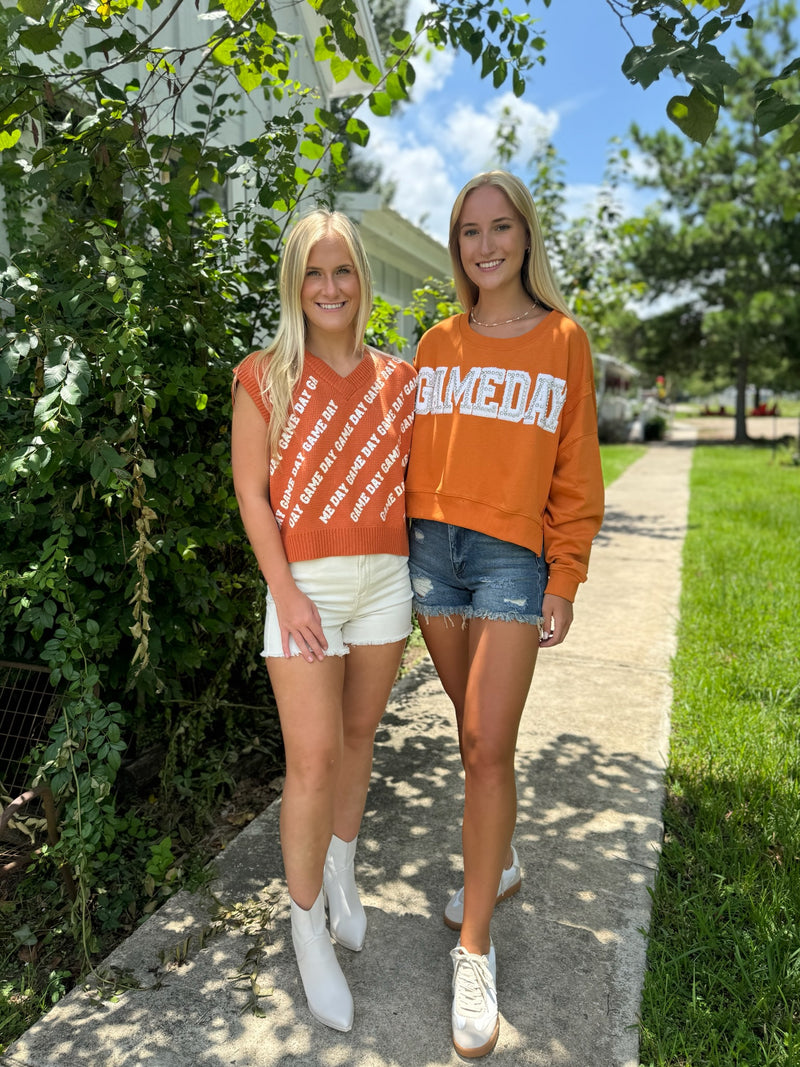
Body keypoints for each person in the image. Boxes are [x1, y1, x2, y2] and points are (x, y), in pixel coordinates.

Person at [404, 170, 605, 1058]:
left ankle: (474, 948)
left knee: (488, 742)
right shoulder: (435, 342)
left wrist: (565, 572)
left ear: (525, 235)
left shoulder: (564, 340)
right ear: (458, 246)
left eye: (499, 228)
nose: (484, 246)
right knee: (470, 726)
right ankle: (505, 859)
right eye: (468, 233)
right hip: (428, 555)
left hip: (509, 562)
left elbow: (576, 468)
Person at [230, 208, 417, 1033]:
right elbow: (251, 494)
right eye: (315, 272)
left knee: (359, 735)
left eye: (343, 271)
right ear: (294, 284)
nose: (330, 287)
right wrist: (287, 591)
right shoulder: (264, 375)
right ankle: (306, 927)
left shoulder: (400, 379)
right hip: (303, 588)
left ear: (362, 281)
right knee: (309, 762)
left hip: (387, 584)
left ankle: (343, 869)